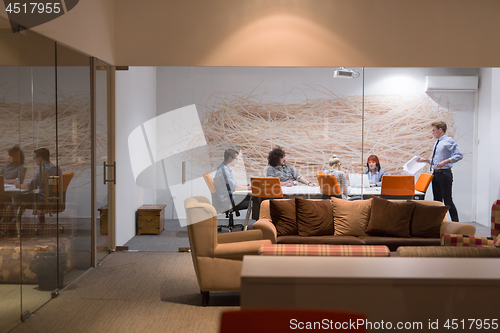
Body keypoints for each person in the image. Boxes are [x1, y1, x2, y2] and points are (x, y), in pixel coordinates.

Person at [417, 121, 462, 222]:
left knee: (447, 200)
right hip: (436, 174)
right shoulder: (437, 143)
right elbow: (436, 163)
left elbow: (459, 155)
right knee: (437, 201)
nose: (432, 132)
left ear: (440, 130)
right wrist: (425, 160)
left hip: (445, 174)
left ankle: (456, 223)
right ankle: (437, 224)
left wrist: (446, 161)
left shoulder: (449, 141)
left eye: (434, 130)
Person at [14, 148, 62, 232]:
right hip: (55, 198)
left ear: (40, 158)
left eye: (34, 158)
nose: (34, 160)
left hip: (43, 200)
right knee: (30, 196)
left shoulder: (43, 170)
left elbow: (32, 185)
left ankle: (14, 222)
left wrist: (19, 185)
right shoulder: (56, 167)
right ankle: (41, 222)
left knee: (18, 198)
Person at [212, 148, 251, 213]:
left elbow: (234, 183)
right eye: (236, 159)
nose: (237, 161)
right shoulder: (224, 171)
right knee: (253, 200)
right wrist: (248, 188)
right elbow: (234, 187)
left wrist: (246, 185)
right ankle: (257, 221)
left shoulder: (224, 168)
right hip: (227, 200)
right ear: (230, 158)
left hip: (228, 197)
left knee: (251, 197)